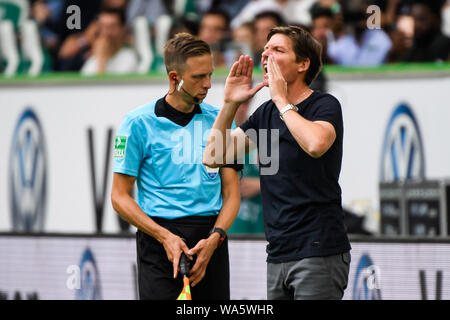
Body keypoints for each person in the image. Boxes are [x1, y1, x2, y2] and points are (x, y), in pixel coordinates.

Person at [203, 25, 351, 300]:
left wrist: (282, 100)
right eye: (265, 49)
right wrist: (229, 104)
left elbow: (316, 144)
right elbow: (213, 156)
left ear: (303, 64)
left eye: (278, 50)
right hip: (277, 253)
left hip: (318, 250)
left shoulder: (324, 105)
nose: (266, 55)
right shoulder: (265, 113)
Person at [110, 33, 241, 300]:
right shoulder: (136, 123)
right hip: (159, 242)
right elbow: (119, 196)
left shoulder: (222, 120)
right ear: (174, 77)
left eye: (210, 75)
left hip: (210, 241)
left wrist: (215, 238)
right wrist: (164, 237)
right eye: (198, 77)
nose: (207, 84)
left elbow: (231, 194)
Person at [81, 8, 138, 75]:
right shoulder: (92, 60)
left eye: (112, 27)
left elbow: (104, 85)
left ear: (123, 29)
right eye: (102, 26)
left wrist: (101, 61)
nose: (106, 33)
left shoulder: (129, 57)